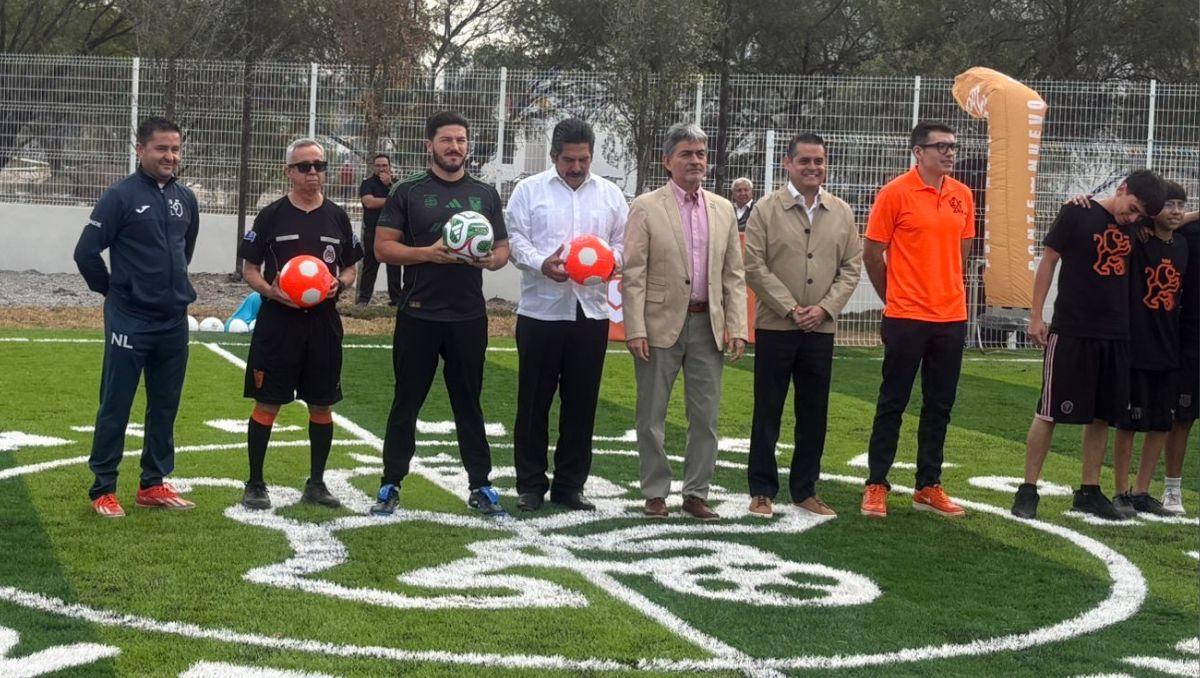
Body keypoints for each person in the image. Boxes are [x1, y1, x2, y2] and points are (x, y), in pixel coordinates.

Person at [370, 111, 511, 517]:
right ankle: (390, 484)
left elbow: (502, 248)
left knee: (469, 403)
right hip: (418, 314)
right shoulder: (408, 191)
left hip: (468, 316)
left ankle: (481, 486)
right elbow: (382, 248)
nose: (455, 147)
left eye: (461, 140)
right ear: (429, 145)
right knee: (406, 402)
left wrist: (492, 261)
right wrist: (426, 254)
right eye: (446, 140)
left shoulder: (484, 193)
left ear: (468, 146)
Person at [1009, 170, 1166, 520]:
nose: (1133, 216)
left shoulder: (1136, 228)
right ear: (1121, 189)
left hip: (1116, 335)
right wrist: (1035, 316)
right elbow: (1048, 260)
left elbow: (1175, 220)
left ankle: (1089, 491)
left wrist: (1145, 219)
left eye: (1141, 215)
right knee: (1048, 410)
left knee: (1101, 415)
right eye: (1133, 207)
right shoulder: (1077, 211)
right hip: (1072, 330)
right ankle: (1028, 489)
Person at [74, 116, 200, 518]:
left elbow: (184, 250)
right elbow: (86, 252)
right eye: (161, 148)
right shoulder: (120, 197)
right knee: (116, 403)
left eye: (175, 149)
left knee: (165, 405)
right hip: (130, 319)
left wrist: (169, 288)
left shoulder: (186, 199)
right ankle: (103, 488)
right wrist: (113, 291)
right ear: (141, 150)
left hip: (173, 320)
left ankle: (153, 483)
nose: (170, 156)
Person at [623, 122, 748, 521]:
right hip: (659, 325)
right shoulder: (646, 206)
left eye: (701, 154)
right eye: (686, 154)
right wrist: (635, 328)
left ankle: (696, 493)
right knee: (651, 415)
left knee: (706, 418)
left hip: (707, 327)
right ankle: (656, 493)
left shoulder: (723, 208)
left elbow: (734, 274)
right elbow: (634, 272)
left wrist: (738, 327)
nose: (695, 161)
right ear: (667, 160)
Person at [505, 118, 627, 512]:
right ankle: (530, 485)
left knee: (581, 403)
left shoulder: (610, 195)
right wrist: (542, 263)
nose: (576, 167)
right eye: (569, 160)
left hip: (590, 314)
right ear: (555, 156)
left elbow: (626, 243)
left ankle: (571, 486)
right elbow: (516, 239)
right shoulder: (528, 191)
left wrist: (612, 263)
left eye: (584, 159)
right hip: (541, 312)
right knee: (533, 402)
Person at [238, 138, 362, 510]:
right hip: (278, 323)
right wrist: (270, 292)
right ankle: (255, 483)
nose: (313, 173)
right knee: (267, 404)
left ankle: (317, 483)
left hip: (322, 324)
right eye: (304, 166)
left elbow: (352, 267)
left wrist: (340, 283)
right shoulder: (271, 216)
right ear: (288, 172)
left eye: (319, 166)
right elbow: (249, 269)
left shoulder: (338, 217)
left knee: (322, 405)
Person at [743, 132, 862, 518]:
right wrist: (790, 308)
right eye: (805, 161)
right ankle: (761, 490)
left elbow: (851, 268)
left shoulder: (841, 212)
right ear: (788, 164)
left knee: (814, 411)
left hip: (820, 331)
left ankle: (805, 489)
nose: (813, 168)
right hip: (776, 326)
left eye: (819, 161)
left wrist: (824, 309)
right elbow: (753, 265)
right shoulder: (765, 209)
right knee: (768, 410)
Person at [860, 121, 975, 519]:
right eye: (940, 146)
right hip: (906, 315)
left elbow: (962, 249)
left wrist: (945, 288)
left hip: (951, 316)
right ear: (918, 151)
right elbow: (873, 253)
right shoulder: (894, 193)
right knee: (892, 402)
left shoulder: (963, 195)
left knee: (940, 404)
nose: (948, 153)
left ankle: (928, 485)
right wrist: (894, 297)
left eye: (952, 146)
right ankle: (876, 484)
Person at [1111, 182, 1189, 516]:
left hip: (1169, 347)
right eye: (1168, 204)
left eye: (1180, 205)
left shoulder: (1184, 245)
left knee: (1161, 423)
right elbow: (1118, 220)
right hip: (1137, 346)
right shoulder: (1137, 240)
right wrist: (1142, 225)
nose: (1175, 211)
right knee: (1129, 423)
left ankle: (1143, 491)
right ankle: (1121, 491)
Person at [1164, 205, 1200, 514]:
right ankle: (1172, 490)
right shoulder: (1188, 232)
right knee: (1182, 418)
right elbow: (1153, 226)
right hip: (1191, 341)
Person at [357, 154, 403, 305]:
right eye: (378, 166)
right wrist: (392, 201)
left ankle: (395, 300)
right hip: (373, 231)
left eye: (384, 165)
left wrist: (390, 185)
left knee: (394, 266)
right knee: (370, 266)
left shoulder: (397, 184)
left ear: (390, 167)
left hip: (394, 231)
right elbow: (369, 202)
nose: (381, 168)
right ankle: (364, 300)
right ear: (373, 167)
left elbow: (404, 202)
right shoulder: (367, 184)